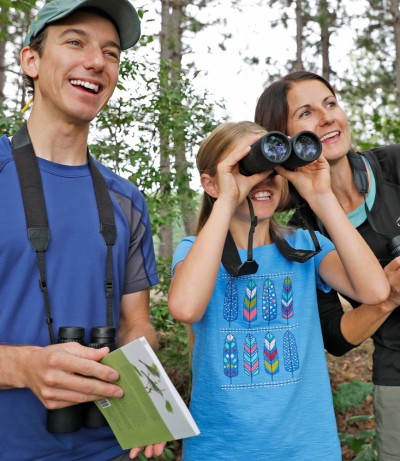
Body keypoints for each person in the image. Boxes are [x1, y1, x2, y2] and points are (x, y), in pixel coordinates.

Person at [167, 120, 390, 460]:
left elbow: (374, 291)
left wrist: (321, 196)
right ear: (210, 183)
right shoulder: (194, 250)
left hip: (306, 446)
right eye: (248, 167)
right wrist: (228, 197)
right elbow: (185, 308)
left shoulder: (306, 245)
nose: (262, 178)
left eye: (274, 169)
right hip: (221, 449)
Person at [0, 1, 165, 459]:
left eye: (111, 53)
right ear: (31, 61)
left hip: (109, 448)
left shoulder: (126, 200)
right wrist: (22, 366)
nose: (96, 61)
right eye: (75, 41)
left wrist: (147, 381)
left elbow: (136, 322)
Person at [254, 70, 400, 461]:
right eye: (306, 113)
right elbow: (335, 337)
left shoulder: (394, 166)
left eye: (330, 104)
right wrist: (387, 299)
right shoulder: (300, 232)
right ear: (284, 139)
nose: (327, 118)